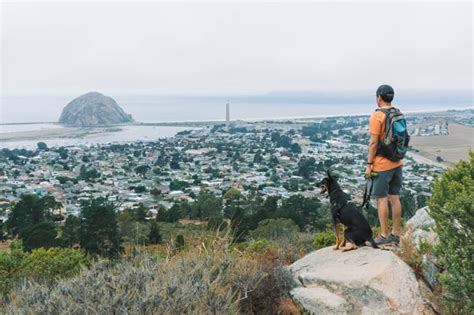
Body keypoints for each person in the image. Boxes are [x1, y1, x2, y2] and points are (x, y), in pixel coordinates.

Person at [365, 84, 403, 246]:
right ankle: (395, 233)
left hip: (382, 164)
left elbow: (373, 143)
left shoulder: (377, 116)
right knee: (394, 198)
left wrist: (369, 164)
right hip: (397, 161)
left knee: (381, 200)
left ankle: (384, 235)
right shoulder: (398, 113)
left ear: (379, 97)